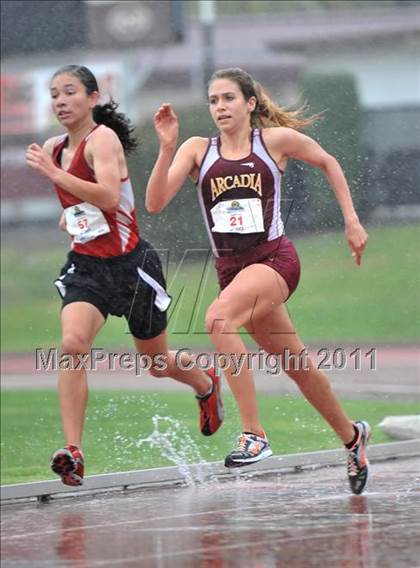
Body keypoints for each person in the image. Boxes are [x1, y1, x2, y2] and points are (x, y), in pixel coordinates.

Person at [145, 67, 371, 495]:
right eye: (213, 101)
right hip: (232, 271)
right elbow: (155, 204)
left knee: (217, 320)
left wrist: (351, 220)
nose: (220, 107)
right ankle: (352, 436)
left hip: (275, 260)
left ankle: (254, 433)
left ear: (250, 103)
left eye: (228, 98)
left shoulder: (272, 143)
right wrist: (167, 147)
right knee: (297, 365)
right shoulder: (198, 149)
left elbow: (328, 161)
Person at [25, 65, 224, 487]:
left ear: (93, 98)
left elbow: (110, 197)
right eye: (54, 93)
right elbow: (83, 203)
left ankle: (205, 384)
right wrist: (71, 217)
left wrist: (56, 176)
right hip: (87, 268)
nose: (60, 100)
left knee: (156, 363)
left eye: (70, 92)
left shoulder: (103, 140)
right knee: (72, 344)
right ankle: (74, 451)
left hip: (132, 267)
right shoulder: (54, 147)